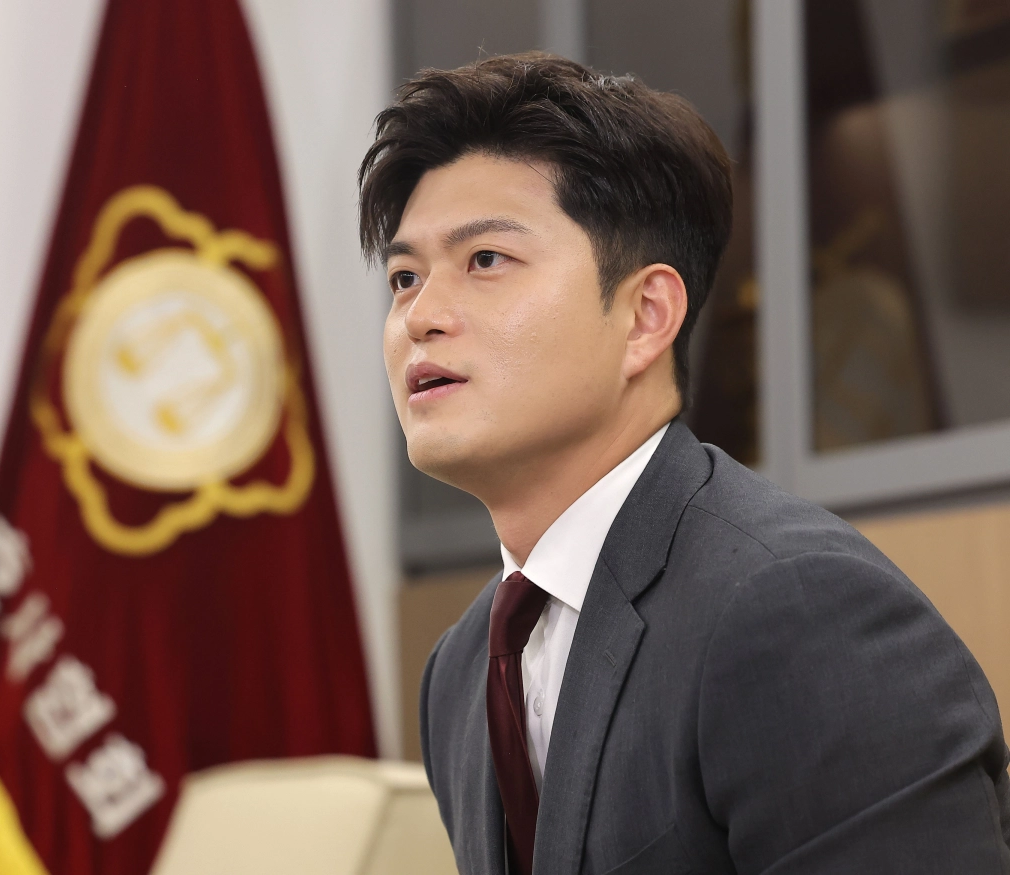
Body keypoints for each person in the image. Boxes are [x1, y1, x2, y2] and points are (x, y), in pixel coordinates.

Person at [357, 52, 1010, 874]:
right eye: (404, 277)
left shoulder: (798, 609)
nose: (420, 316)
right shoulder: (458, 670)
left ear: (646, 315)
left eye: (485, 260)